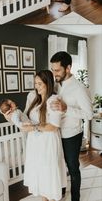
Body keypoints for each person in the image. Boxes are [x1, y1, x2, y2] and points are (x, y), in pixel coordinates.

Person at [4, 70, 67, 201]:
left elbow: (54, 126)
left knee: (47, 173)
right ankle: (44, 198)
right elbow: (25, 120)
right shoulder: (35, 100)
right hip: (35, 142)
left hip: (47, 141)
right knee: (40, 173)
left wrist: (34, 127)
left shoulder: (53, 100)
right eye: (35, 83)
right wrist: (12, 116)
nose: (36, 87)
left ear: (48, 84)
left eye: (39, 83)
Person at [50, 51, 93, 201]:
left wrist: (66, 108)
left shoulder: (79, 89)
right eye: (53, 69)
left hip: (71, 135)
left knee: (73, 168)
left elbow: (89, 114)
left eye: (57, 70)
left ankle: (76, 198)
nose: (54, 73)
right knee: (59, 165)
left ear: (68, 68)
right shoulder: (57, 85)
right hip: (55, 133)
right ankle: (60, 192)